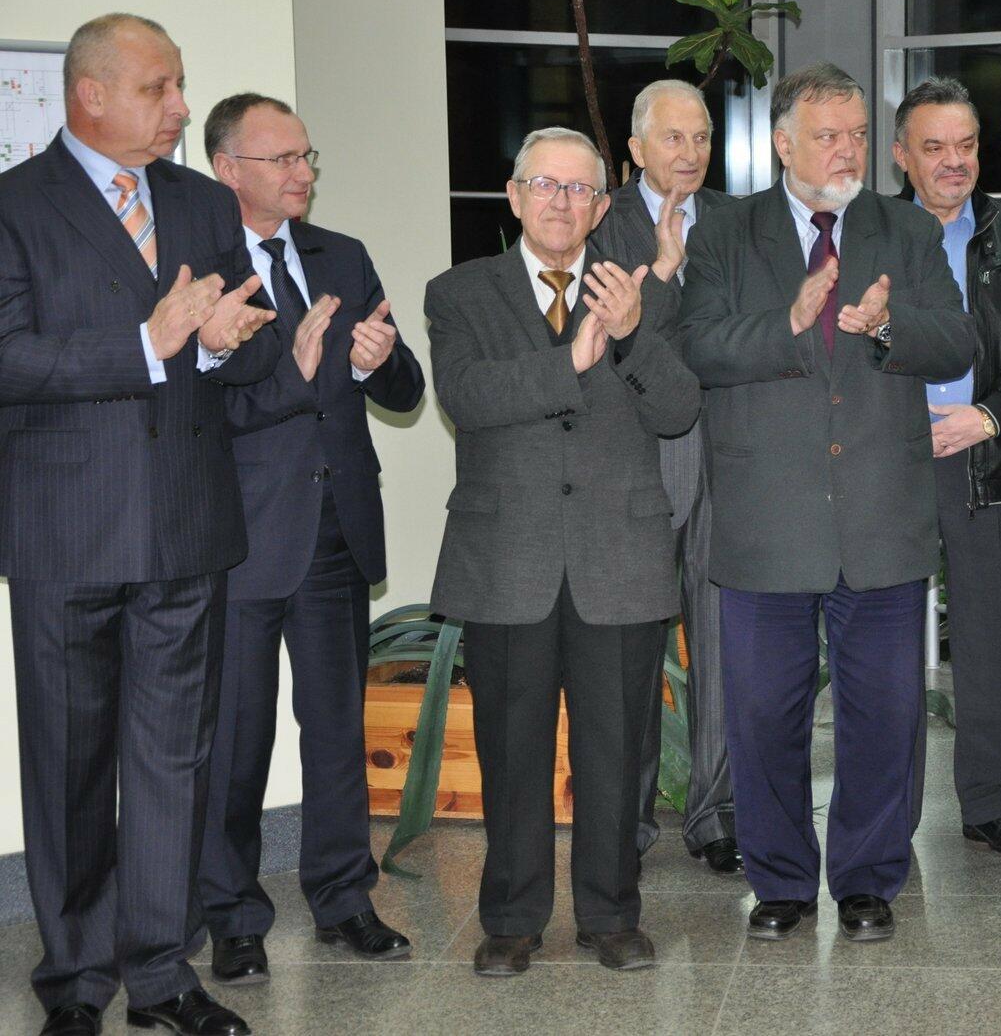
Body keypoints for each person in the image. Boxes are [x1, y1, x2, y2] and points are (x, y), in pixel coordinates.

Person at [0, 13, 280, 1036]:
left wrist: (223, 342)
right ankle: (77, 979)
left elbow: (254, 346)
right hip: (66, 533)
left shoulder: (202, 201)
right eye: (159, 89)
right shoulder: (14, 206)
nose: (179, 107)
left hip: (184, 528)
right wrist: (145, 344)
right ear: (91, 96)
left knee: (172, 763)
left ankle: (162, 975)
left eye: (178, 86)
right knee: (70, 766)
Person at [675, 62, 975, 944]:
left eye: (857, 134)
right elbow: (696, 346)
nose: (847, 150)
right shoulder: (727, 233)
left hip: (881, 516)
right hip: (766, 519)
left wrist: (884, 324)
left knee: (884, 714)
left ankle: (869, 877)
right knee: (763, 715)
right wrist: (789, 321)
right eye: (827, 135)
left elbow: (955, 339)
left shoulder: (904, 228)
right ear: (783, 143)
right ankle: (779, 880)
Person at [427, 127, 700, 973]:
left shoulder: (635, 290)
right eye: (544, 185)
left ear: (601, 206)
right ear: (514, 196)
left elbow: (679, 408)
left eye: (579, 189)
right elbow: (467, 396)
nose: (560, 201)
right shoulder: (459, 292)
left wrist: (630, 335)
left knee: (615, 753)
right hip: (507, 558)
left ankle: (611, 914)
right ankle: (511, 919)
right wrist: (574, 360)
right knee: (511, 750)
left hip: (619, 556)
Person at [194, 93, 426, 986]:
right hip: (242, 539)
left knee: (335, 732)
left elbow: (405, 388)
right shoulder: (201, 270)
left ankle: (344, 899)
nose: (303, 172)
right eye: (282, 158)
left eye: (306, 155)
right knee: (237, 740)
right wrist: (289, 374)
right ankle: (232, 915)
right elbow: (196, 413)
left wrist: (377, 363)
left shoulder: (343, 255)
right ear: (228, 169)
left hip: (336, 533)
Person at [891, 76, 1001, 858]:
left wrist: (988, 415)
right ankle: (885, 816)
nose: (953, 161)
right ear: (902, 156)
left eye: (965, 145)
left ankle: (992, 805)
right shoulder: (870, 235)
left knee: (988, 640)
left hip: (985, 457)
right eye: (935, 147)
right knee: (886, 648)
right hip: (891, 462)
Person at [591, 79, 741, 875]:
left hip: (729, 459)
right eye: (673, 137)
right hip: (639, 465)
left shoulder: (739, 223)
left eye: (702, 137)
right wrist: (663, 271)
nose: (690, 152)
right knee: (630, 657)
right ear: (636, 148)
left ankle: (716, 815)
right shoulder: (599, 220)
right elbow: (616, 340)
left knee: (723, 644)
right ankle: (627, 822)